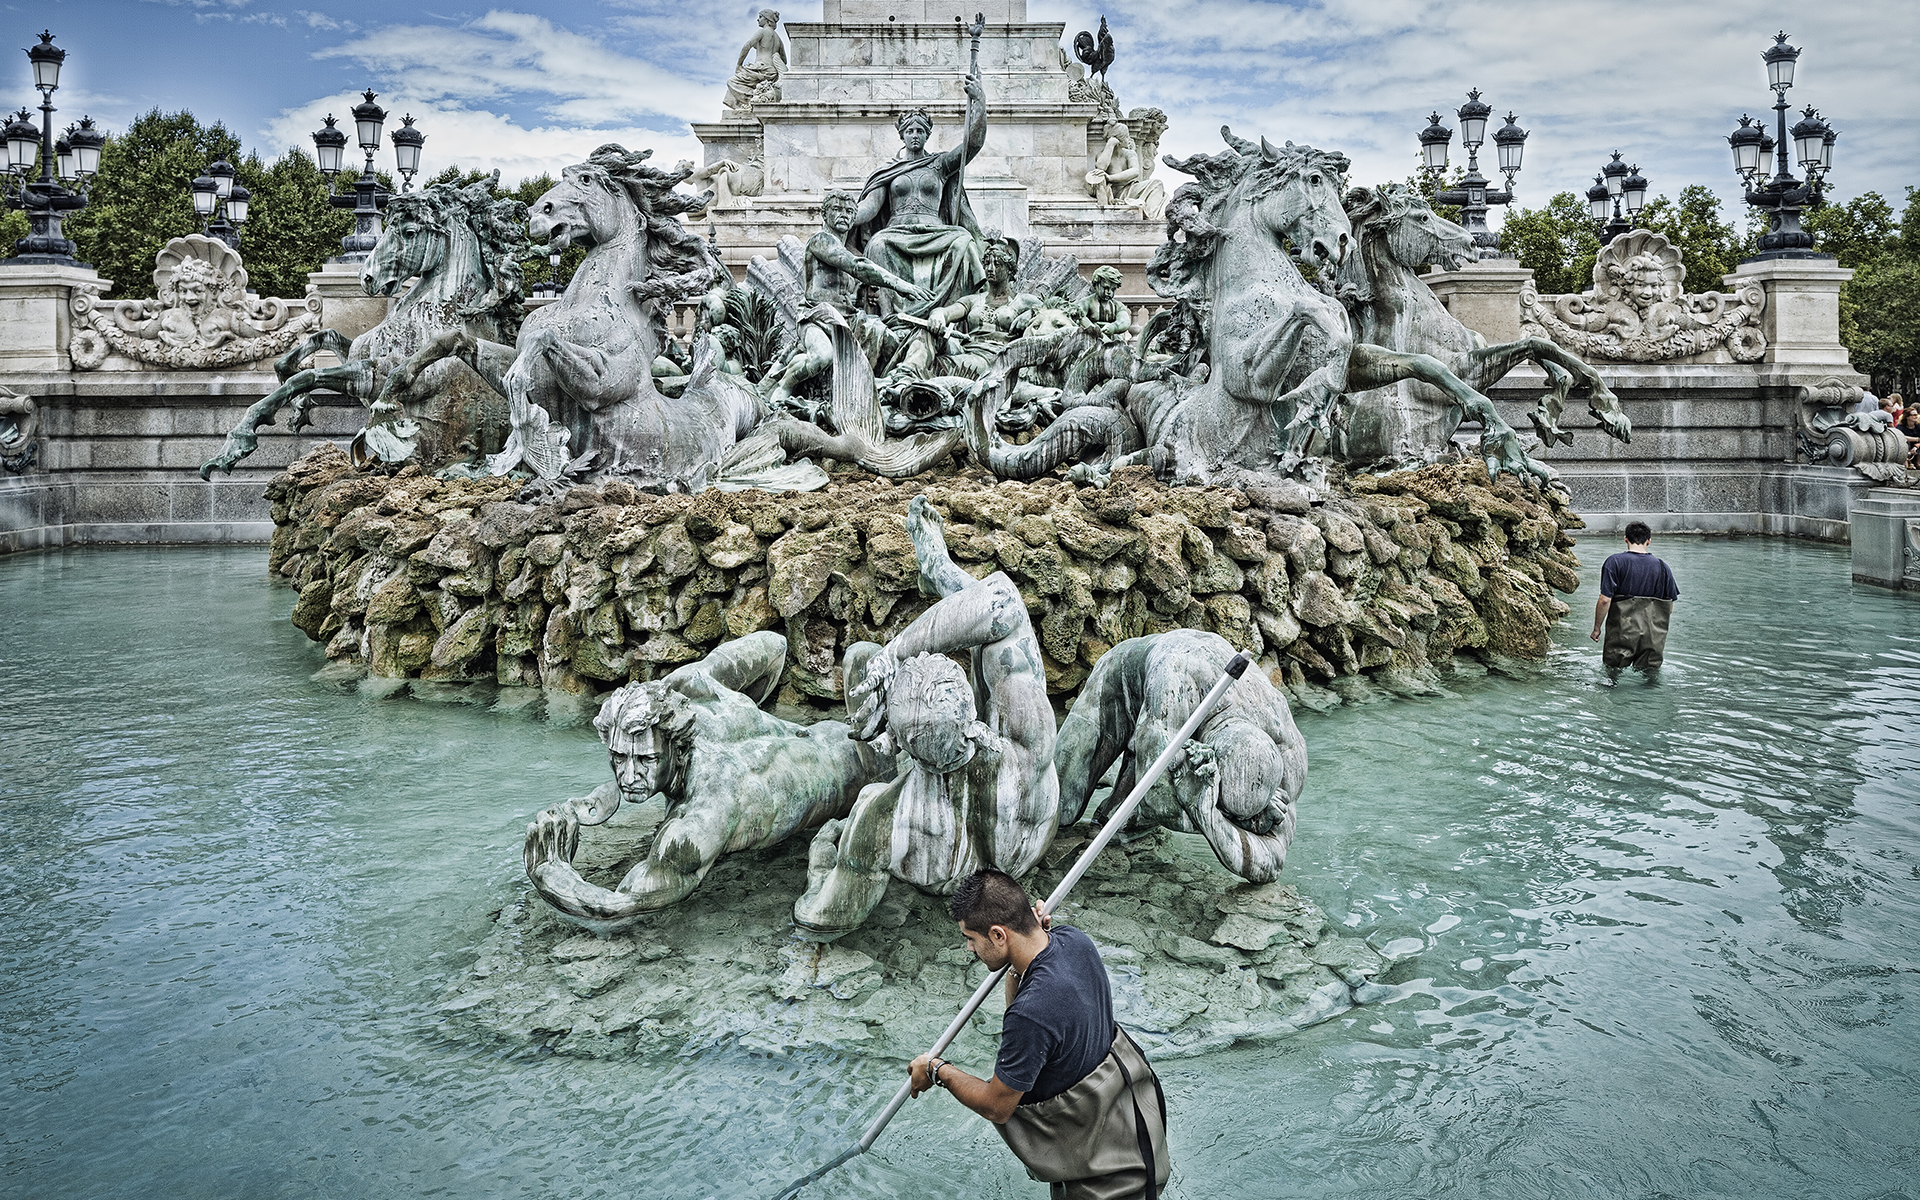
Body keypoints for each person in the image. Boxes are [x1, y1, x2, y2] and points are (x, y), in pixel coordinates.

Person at [909, 869, 1170, 1200]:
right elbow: (1035, 1018)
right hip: (1135, 1136)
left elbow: (996, 1106)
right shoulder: (1075, 942)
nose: (969, 949)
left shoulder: (1031, 1014)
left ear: (999, 935)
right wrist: (1020, 961)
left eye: (971, 938)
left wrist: (935, 1068)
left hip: (1108, 1180)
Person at [1590, 520, 1680, 682]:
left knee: (1612, 675)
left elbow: (1605, 600)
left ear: (1626, 539)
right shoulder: (1663, 567)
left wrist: (1597, 628)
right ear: (1648, 541)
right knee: (1650, 678)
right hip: (1653, 635)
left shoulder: (1615, 562)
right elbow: (1669, 607)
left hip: (1622, 631)